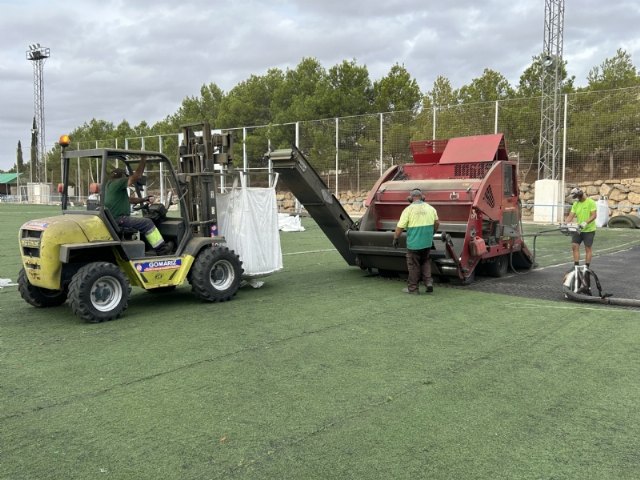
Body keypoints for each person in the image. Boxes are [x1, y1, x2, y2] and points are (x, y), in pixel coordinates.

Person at [104, 156, 173, 255]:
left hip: (114, 219)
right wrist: (143, 160)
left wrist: (143, 199)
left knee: (141, 222)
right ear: (122, 176)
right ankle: (162, 249)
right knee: (147, 223)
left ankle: (148, 249)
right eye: (126, 176)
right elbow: (137, 176)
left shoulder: (110, 186)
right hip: (120, 219)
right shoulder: (118, 182)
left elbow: (128, 200)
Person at [392, 188, 440, 294]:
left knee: (414, 265)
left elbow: (400, 227)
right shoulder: (431, 208)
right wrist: (432, 232)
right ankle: (428, 283)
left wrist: (396, 238)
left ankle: (413, 289)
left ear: (410, 199)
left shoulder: (408, 210)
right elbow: (437, 223)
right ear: (423, 197)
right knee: (425, 262)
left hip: (414, 244)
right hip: (427, 242)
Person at [564, 186, 597, 269]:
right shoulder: (576, 204)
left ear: (581, 194)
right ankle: (576, 266)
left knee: (588, 248)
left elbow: (594, 215)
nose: (577, 199)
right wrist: (565, 224)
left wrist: (585, 222)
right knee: (574, 246)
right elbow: (571, 216)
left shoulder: (591, 202)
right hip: (578, 229)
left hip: (589, 230)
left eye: (577, 197)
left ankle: (586, 267)